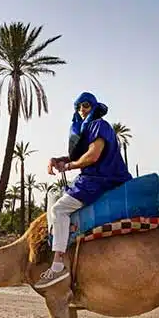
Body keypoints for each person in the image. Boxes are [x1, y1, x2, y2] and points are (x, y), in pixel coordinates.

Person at [35, 91, 132, 289]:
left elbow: (92, 156)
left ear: (94, 107)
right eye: (78, 107)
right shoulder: (88, 130)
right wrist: (58, 160)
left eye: (85, 106)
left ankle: (58, 264)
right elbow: (78, 156)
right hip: (94, 179)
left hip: (100, 180)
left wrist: (69, 167)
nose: (81, 110)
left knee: (59, 210)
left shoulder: (99, 126)